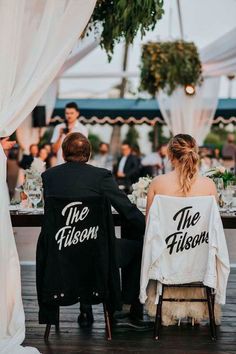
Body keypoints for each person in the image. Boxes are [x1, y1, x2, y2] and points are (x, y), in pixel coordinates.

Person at [41, 133, 147, 329]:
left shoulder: (49, 177)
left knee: (90, 247)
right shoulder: (101, 176)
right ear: (88, 154)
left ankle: (89, 306)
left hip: (60, 255)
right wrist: (151, 229)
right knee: (139, 249)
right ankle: (123, 308)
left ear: (63, 154)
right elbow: (127, 210)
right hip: (97, 255)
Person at [144, 134, 222, 325]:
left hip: (168, 263)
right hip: (199, 263)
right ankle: (197, 312)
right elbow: (214, 230)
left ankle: (167, 310)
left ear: (170, 155)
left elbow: (149, 230)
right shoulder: (209, 185)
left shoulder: (157, 184)